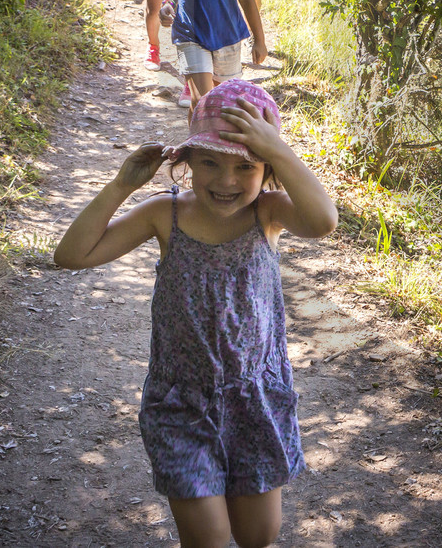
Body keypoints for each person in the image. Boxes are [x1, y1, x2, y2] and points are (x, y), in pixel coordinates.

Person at [53, 79, 338, 548]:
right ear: (185, 161)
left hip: (256, 399)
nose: (225, 181)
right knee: (207, 538)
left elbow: (324, 221)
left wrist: (280, 150)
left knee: (258, 535)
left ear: (267, 169)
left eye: (245, 166)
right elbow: (72, 254)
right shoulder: (165, 214)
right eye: (209, 162)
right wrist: (123, 185)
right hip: (181, 403)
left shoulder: (268, 212)